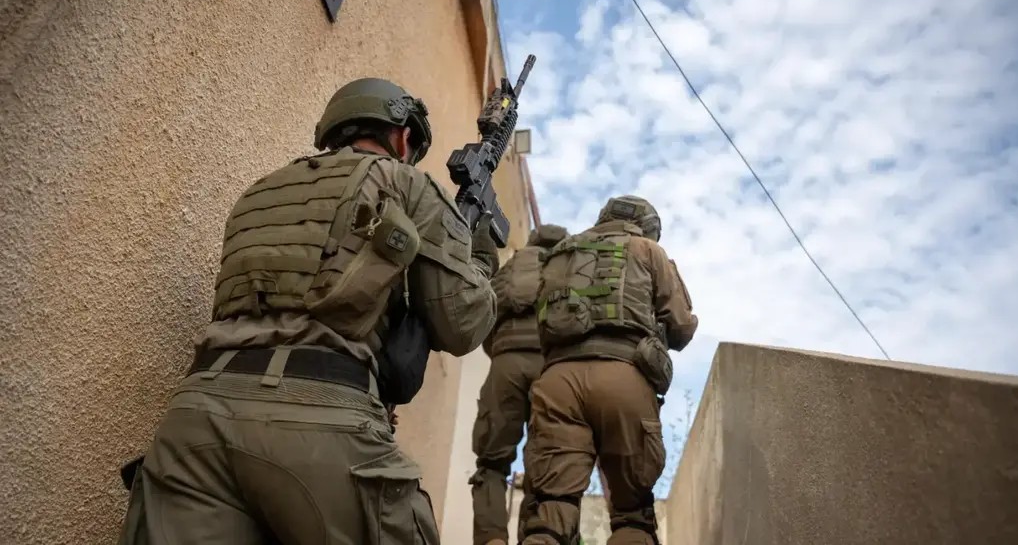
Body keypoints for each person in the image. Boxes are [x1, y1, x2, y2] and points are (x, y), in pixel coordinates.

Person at [117, 77, 499, 544]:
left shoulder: (259, 192)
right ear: (402, 137)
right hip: (318, 421)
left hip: (196, 419)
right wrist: (480, 259)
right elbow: (463, 324)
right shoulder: (407, 183)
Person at [519, 195, 699, 545]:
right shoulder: (648, 250)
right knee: (633, 514)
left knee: (550, 511)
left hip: (558, 382)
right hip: (624, 377)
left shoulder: (560, 253)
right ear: (648, 226)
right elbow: (681, 328)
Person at [469, 223, 569, 545]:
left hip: (506, 364)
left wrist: (500, 352)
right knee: (546, 465)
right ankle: (535, 537)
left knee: (491, 461)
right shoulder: (572, 270)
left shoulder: (511, 267)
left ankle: (491, 537)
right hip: (551, 368)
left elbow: (485, 315)